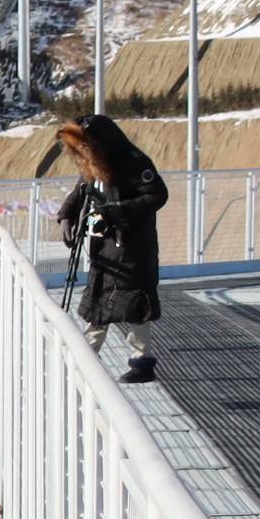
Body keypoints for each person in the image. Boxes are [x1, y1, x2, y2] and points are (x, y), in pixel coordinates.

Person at [53, 115, 169, 381]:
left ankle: (141, 361)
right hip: (104, 247)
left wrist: (117, 212)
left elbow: (157, 195)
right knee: (99, 299)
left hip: (132, 246)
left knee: (135, 302)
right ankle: (89, 357)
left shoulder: (134, 162)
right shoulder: (96, 163)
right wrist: (66, 216)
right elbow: (81, 190)